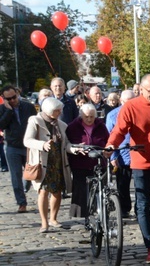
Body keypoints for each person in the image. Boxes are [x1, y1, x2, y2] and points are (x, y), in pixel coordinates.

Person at [107, 74, 150, 264]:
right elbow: (119, 130)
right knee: (142, 205)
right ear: (141, 90)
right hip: (140, 161)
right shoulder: (131, 106)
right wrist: (112, 146)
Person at [23, 97, 79, 232]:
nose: (60, 113)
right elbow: (27, 140)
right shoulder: (35, 121)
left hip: (58, 161)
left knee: (57, 191)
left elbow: (66, 145)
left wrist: (75, 149)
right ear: (48, 111)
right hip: (43, 162)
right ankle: (44, 222)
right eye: (57, 111)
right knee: (43, 191)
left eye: (60, 110)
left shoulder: (61, 125)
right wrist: (42, 144)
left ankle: (53, 218)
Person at [65, 103, 110, 218]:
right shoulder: (72, 127)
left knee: (100, 189)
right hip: (80, 163)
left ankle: (101, 213)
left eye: (92, 116)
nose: (89, 119)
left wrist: (108, 150)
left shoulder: (101, 126)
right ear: (81, 116)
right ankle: (82, 216)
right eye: (86, 117)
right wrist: (76, 148)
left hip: (99, 161)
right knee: (81, 191)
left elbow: (108, 140)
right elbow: (67, 144)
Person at [0, 85, 37, 212]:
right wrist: (9, 111)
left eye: (14, 97)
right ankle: (21, 202)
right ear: (4, 99)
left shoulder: (28, 106)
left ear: (17, 93)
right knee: (15, 176)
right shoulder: (3, 109)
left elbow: (36, 123)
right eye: (8, 99)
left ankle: (26, 188)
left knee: (31, 174)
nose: (12, 100)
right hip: (12, 146)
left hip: (28, 146)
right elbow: (1, 125)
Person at [106, 90, 136, 217]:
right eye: (126, 102)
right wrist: (112, 156)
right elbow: (109, 136)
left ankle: (140, 209)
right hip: (122, 153)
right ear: (121, 101)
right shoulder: (113, 115)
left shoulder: (139, 112)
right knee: (123, 183)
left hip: (138, 152)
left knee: (141, 184)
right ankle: (124, 208)